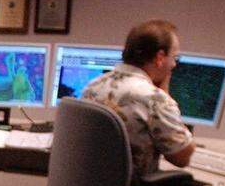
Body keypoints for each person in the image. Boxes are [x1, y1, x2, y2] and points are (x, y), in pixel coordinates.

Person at [80, 19, 195, 175]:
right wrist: (166, 95)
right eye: (175, 58)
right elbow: (181, 158)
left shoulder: (93, 86)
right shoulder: (155, 99)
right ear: (160, 57)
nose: (174, 65)